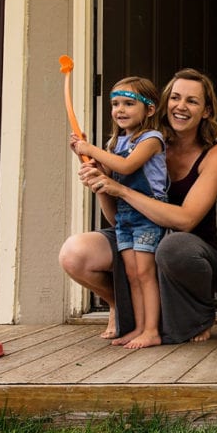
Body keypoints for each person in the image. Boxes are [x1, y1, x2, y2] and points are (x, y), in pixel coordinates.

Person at [59, 68, 217, 344]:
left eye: (192, 101)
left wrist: (122, 189)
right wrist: (101, 182)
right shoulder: (136, 141)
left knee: (171, 248)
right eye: (175, 98)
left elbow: (186, 220)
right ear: (164, 104)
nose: (181, 106)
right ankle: (122, 307)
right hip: (139, 228)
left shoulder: (215, 152)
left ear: (207, 111)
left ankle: (195, 317)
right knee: (74, 253)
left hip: (186, 246)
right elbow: (117, 219)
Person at [70, 76, 166, 348]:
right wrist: (86, 158)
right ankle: (137, 327)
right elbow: (107, 174)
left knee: (146, 273)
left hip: (146, 215)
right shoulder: (116, 143)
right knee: (131, 273)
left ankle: (152, 330)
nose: (120, 110)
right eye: (115, 104)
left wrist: (92, 149)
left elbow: (126, 168)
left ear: (149, 109)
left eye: (128, 104)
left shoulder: (151, 139)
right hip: (125, 217)